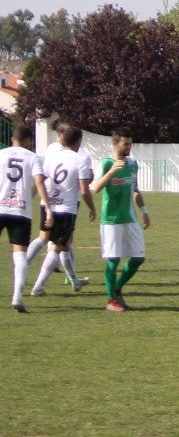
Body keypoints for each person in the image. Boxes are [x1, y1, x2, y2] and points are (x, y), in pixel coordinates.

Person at [28, 122, 94, 296]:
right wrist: (92, 208)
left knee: (54, 241)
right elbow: (85, 188)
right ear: (78, 141)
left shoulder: (52, 155)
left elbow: (41, 180)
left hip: (48, 204)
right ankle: (38, 286)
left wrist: (36, 197)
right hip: (67, 207)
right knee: (58, 246)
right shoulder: (81, 158)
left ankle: (73, 280)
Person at [90, 128, 150, 312]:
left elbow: (135, 189)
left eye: (130, 144)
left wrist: (144, 211)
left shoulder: (132, 164)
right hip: (111, 220)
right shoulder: (107, 163)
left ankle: (117, 288)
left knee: (139, 257)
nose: (129, 147)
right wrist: (110, 173)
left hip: (130, 218)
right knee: (113, 259)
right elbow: (95, 188)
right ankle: (111, 300)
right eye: (125, 144)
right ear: (115, 143)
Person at [0, 125, 52, 311]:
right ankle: (17, 297)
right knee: (20, 254)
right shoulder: (33, 157)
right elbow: (39, 181)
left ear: (12, 139)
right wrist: (48, 207)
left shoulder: (1, 154)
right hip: (20, 211)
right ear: (28, 141)